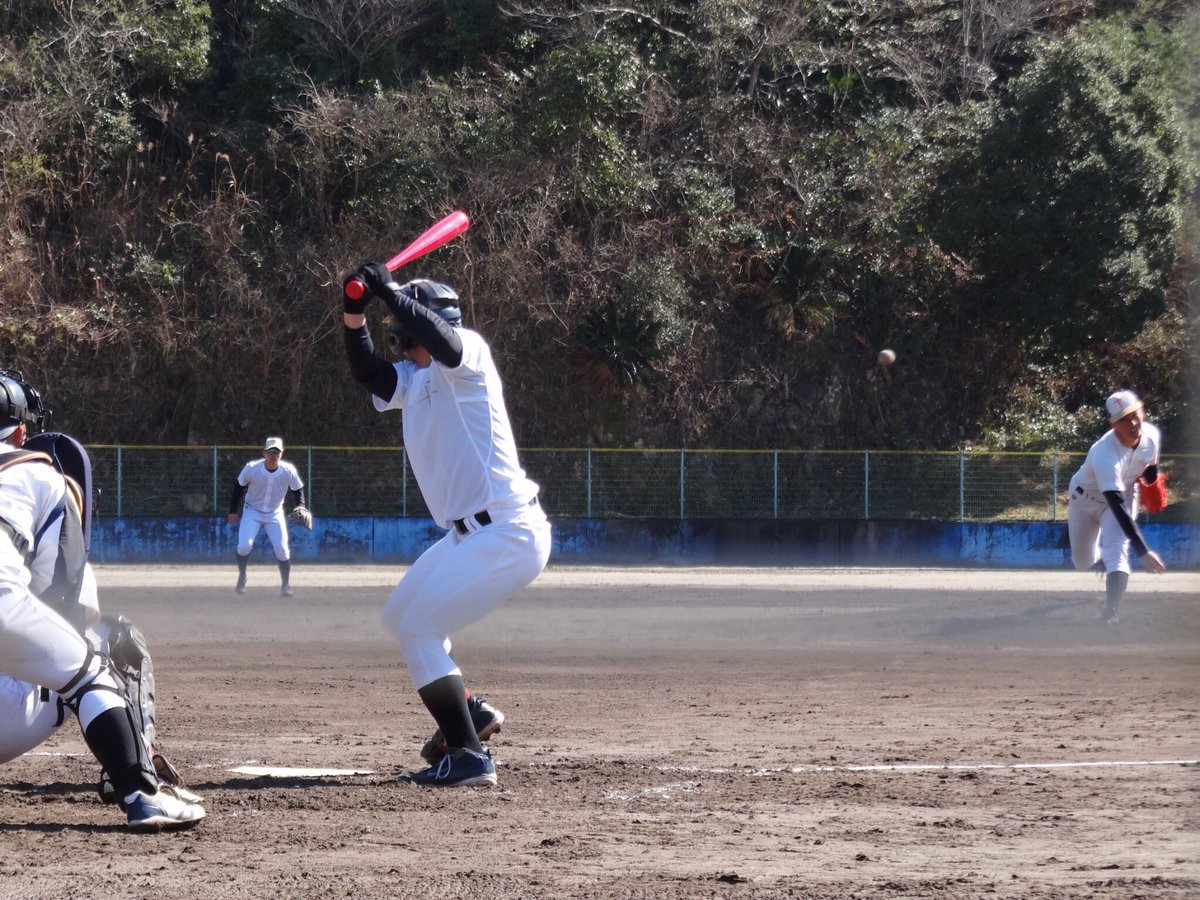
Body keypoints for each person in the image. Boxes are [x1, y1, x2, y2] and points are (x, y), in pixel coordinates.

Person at [341, 262, 551, 788]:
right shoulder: (415, 379)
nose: (401, 343)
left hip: (508, 531)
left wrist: (388, 290)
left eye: (404, 331)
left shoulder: (469, 354)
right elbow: (368, 373)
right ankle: (469, 712)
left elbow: (444, 341)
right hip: (467, 535)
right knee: (400, 618)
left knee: (419, 629)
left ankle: (469, 757)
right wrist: (352, 315)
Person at [0, 368, 204, 831]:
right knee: (104, 653)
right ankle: (137, 785)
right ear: (19, 431)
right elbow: (64, 598)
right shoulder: (37, 473)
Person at [1067, 390, 1167, 624]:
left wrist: (1153, 484)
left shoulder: (1151, 436)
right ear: (1113, 425)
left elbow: (1149, 466)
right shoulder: (1104, 454)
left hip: (1123, 495)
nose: (1132, 422)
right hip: (1085, 500)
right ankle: (1102, 561)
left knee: (1118, 553)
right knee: (1082, 563)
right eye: (1123, 418)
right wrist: (1144, 552)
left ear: (1142, 411)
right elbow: (1117, 505)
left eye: (1135, 414)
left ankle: (1111, 613)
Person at [227, 436, 310, 597]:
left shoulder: (288, 470)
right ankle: (242, 575)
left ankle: (285, 585)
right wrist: (232, 510)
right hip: (252, 511)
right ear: (264, 453)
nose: (274, 455)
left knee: (282, 549)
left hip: (275, 513)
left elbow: (297, 489)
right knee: (244, 546)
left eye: (277, 452)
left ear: (282, 453)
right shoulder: (252, 468)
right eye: (270, 451)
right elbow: (238, 487)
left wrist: (301, 505)